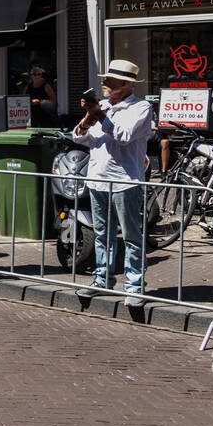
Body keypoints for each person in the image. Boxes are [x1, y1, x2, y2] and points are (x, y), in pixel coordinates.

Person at [71, 59, 153, 308]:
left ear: (126, 84)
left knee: (131, 235)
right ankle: (102, 278)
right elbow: (80, 138)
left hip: (125, 180)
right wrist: (88, 119)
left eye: (109, 80)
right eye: (104, 79)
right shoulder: (103, 106)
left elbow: (125, 137)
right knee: (102, 234)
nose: (103, 83)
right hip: (97, 179)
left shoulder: (141, 107)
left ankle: (135, 285)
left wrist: (99, 116)